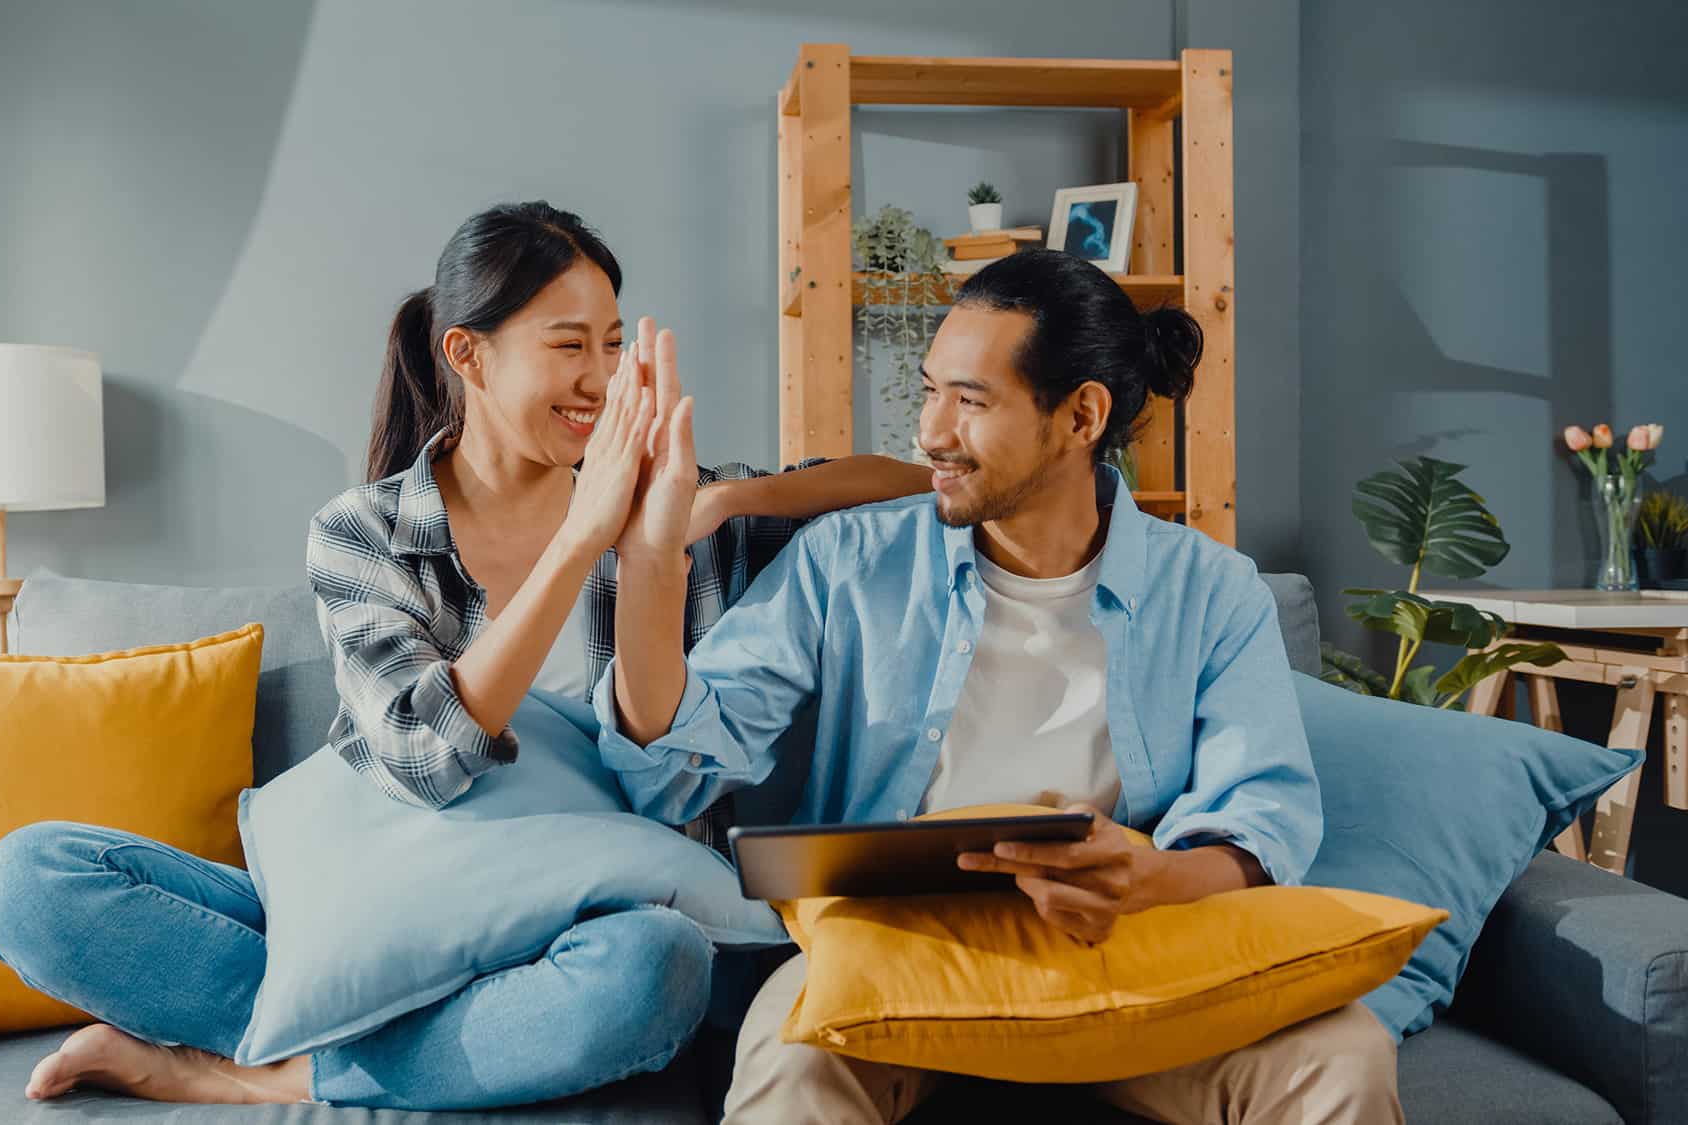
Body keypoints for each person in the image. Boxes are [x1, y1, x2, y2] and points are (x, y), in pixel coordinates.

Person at [0, 201, 930, 1109]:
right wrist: (579, 543)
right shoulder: (367, 532)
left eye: (610, 343)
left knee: (660, 967)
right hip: (381, 907)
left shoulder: (670, 509)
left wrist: (723, 503)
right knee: (32, 878)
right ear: (467, 353)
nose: (599, 377)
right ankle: (362, 1045)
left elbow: (908, 485)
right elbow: (425, 759)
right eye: (567, 346)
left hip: (582, 927)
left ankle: (265, 1072)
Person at [597, 249, 1400, 1124]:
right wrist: (649, 565)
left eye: (970, 401)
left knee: (1344, 1053)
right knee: (792, 1062)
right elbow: (673, 770)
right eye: (930, 389)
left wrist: (1147, 877)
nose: (930, 432)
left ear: (1082, 414)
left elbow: (1262, 823)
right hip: (895, 955)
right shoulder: (850, 562)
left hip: (1129, 954)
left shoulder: (1212, 590)